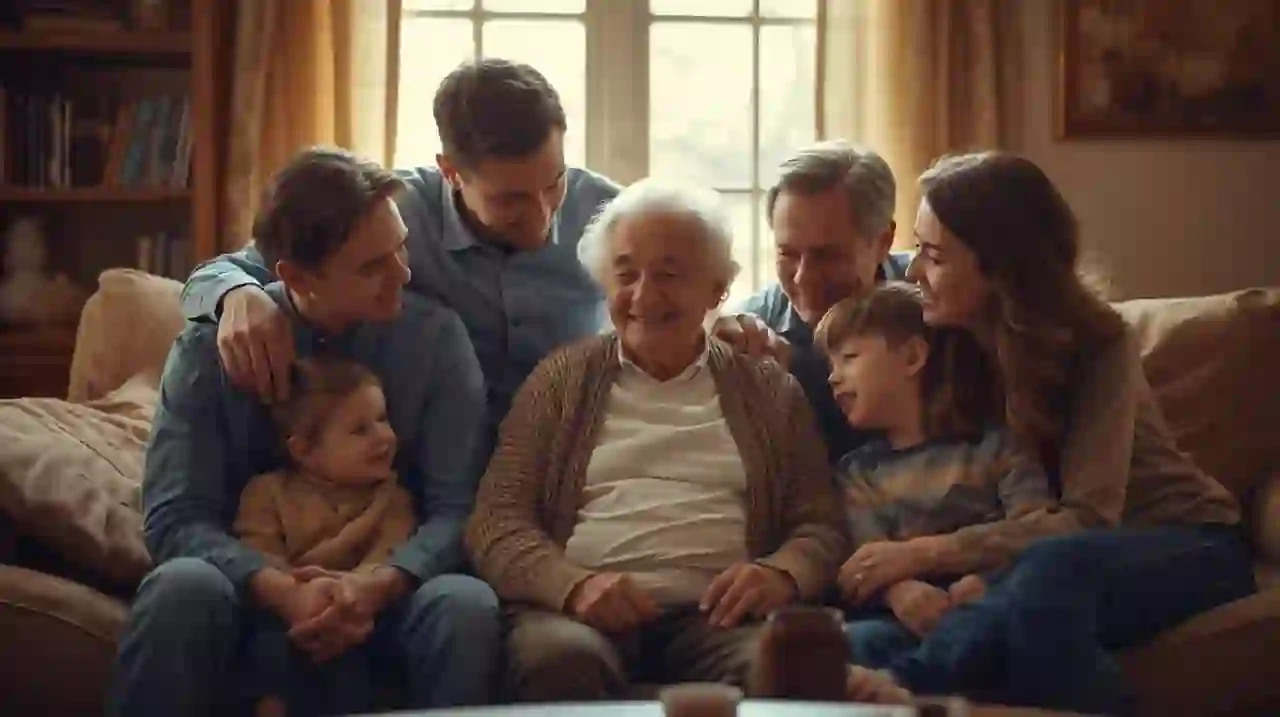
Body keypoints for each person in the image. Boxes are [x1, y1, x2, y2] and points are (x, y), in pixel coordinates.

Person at [180, 58, 784, 451]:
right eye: (513, 201)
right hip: (419, 459)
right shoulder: (391, 216)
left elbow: (668, 303)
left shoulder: (609, 210)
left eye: (554, 183)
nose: (546, 218)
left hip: (572, 458)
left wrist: (725, 324)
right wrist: (237, 295)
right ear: (450, 173)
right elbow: (229, 270)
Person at [850, 151, 1255, 716]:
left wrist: (924, 553)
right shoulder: (947, 332)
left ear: (1001, 266)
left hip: (1185, 539)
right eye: (917, 249)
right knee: (864, 639)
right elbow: (848, 310)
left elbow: (1089, 517)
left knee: (1051, 573)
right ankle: (892, 679)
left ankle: (907, 688)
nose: (914, 271)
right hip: (1030, 557)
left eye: (934, 255)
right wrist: (740, 325)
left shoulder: (1096, 344)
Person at [108, 148, 501, 716]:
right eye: (372, 267)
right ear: (295, 277)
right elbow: (175, 517)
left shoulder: (436, 340)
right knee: (181, 588)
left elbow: (457, 507)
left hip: (389, 587)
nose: (404, 274)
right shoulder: (208, 351)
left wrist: (379, 585)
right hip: (249, 589)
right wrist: (280, 588)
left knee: (465, 603)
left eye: (401, 249)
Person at [463, 178, 849, 701]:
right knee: (559, 659)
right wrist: (573, 585)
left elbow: (820, 524)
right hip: (580, 619)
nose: (644, 296)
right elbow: (496, 522)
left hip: (722, 621)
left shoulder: (769, 391)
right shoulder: (559, 381)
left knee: (784, 659)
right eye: (626, 275)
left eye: (669, 275)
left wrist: (781, 573)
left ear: (717, 288)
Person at [812, 283, 1060, 669]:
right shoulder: (857, 473)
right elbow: (864, 563)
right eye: (831, 365)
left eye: (848, 357)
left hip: (993, 604)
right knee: (856, 643)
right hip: (899, 622)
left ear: (912, 356)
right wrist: (901, 592)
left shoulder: (995, 446)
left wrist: (989, 584)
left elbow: (1039, 531)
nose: (832, 378)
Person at [233, 357, 417, 717]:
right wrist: (300, 594)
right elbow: (257, 552)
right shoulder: (267, 493)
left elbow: (389, 553)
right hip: (289, 613)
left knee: (354, 662)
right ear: (304, 451)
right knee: (269, 648)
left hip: (361, 617)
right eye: (360, 430)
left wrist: (349, 594)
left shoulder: (392, 497)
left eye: (382, 419)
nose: (384, 437)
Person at [737, 141, 911, 461]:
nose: (803, 277)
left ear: (883, 241)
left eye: (827, 256)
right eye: (787, 254)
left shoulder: (931, 304)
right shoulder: (754, 330)